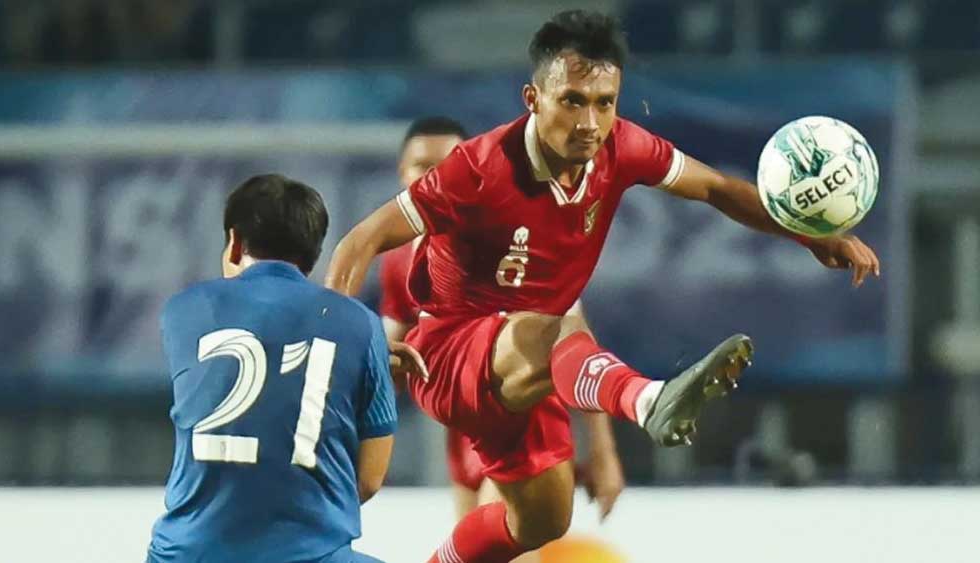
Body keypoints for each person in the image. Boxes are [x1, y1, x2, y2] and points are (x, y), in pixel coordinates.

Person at [327, 10, 880, 562]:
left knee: (542, 519)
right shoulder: (478, 168)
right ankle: (647, 399)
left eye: (605, 102)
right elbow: (359, 241)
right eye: (572, 101)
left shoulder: (623, 148)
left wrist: (809, 235)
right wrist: (333, 349)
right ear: (533, 98)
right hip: (450, 353)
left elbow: (715, 187)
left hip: (531, 366)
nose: (590, 122)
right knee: (550, 329)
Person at [379, 118, 625, 529]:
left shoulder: (516, 233)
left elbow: (575, 340)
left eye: (447, 164)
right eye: (422, 166)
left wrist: (602, 451)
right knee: (474, 547)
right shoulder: (399, 260)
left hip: (523, 426)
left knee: (504, 545)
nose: (434, 177)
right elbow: (391, 363)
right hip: (464, 434)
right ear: (403, 174)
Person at [148, 174, 397, 563]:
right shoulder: (362, 325)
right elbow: (369, 478)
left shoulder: (182, 310)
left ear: (234, 242)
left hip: (186, 555)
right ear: (313, 253)